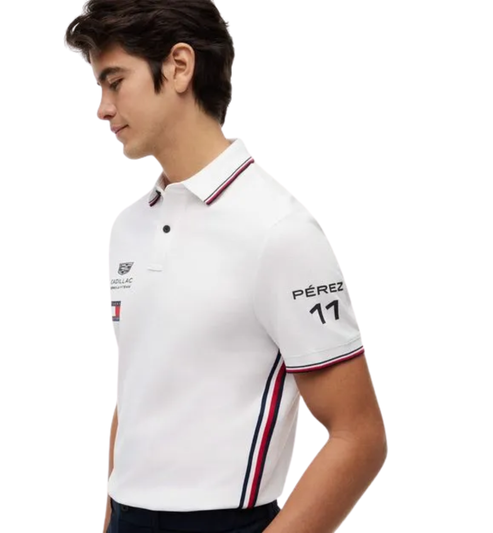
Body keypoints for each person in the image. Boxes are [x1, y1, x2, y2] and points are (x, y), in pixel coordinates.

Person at [64, 1, 387, 532]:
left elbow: (360, 436)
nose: (102, 108)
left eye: (114, 81)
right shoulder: (128, 228)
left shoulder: (279, 232)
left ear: (179, 66)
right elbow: (137, 393)